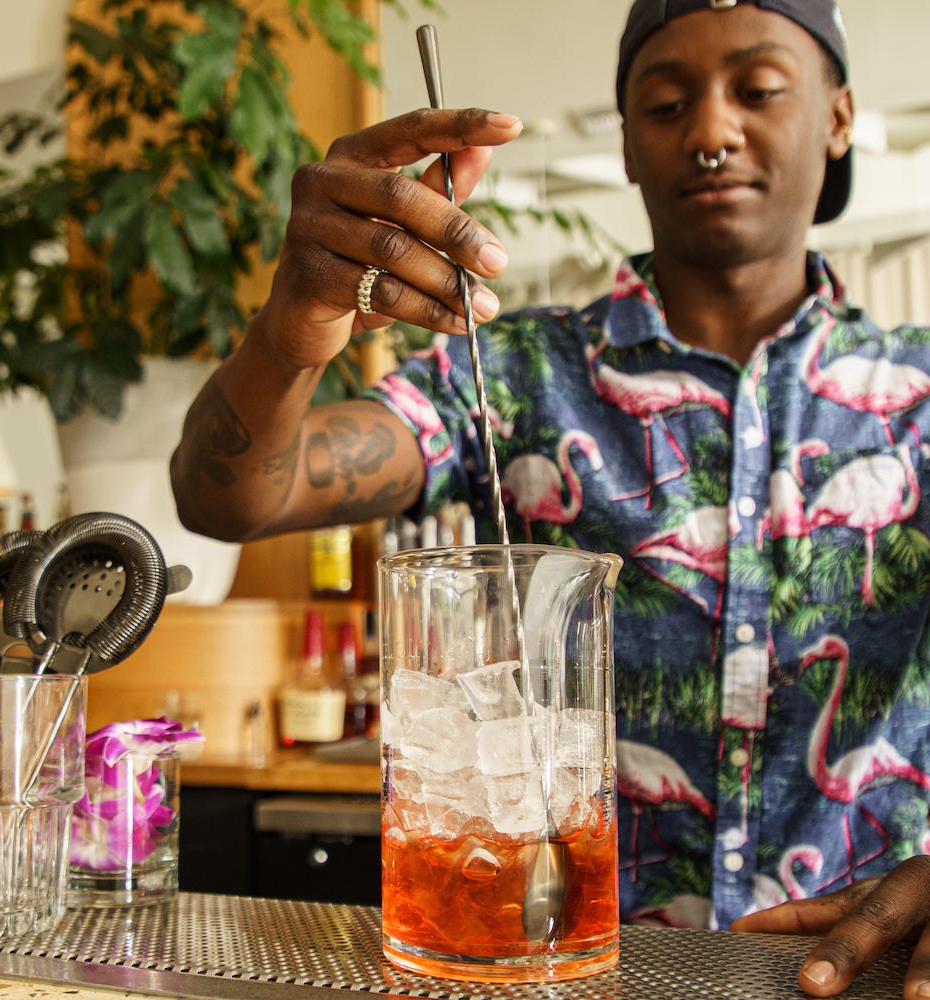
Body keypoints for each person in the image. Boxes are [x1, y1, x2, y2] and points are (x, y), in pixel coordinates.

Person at [171, 0, 930, 994]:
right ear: (623, 143)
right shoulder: (521, 372)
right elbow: (228, 497)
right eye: (664, 103)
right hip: (567, 970)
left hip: (866, 974)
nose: (708, 132)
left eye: (758, 90)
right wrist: (293, 323)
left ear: (837, 116)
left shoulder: (913, 400)